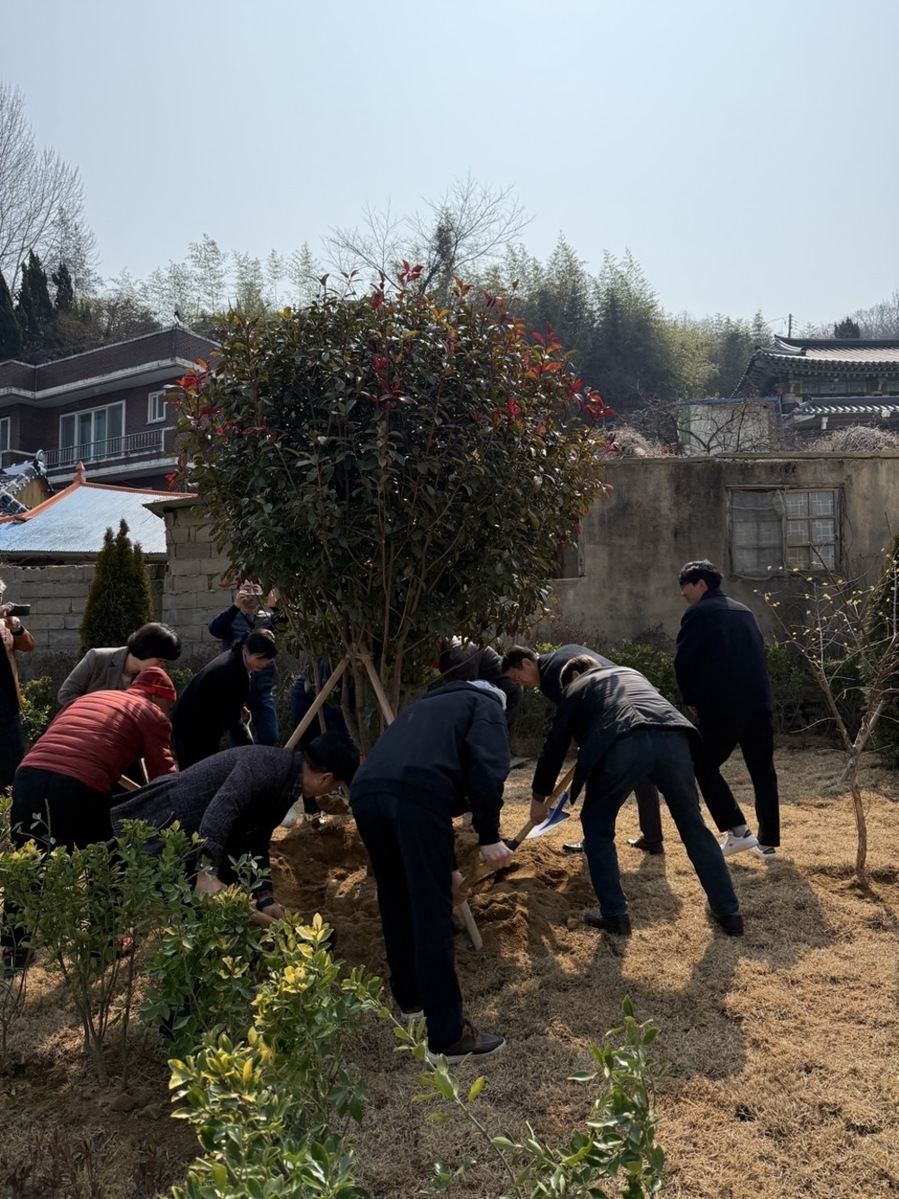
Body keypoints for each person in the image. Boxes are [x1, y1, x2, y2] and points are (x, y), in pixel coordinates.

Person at [350, 679, 513, 1064]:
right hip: (416, 797)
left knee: (395, 898)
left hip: (367, 794)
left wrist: (449, 870)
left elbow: (428, 777)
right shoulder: (487, 706)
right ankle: (448, 1036)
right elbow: (487, 769)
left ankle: (411, 1004)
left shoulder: (426, 707)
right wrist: (489, 834)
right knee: (430, 913)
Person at [531, 655, 743, 937]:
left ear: (573, 675)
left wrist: (538, 796)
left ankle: (615, 915)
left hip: (623, 743)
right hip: (675, 739)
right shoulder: (631, 672)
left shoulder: (575, 686)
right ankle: (729, 912)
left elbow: (554, 746)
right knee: (693, 826)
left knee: (597, 825)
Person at [1, 667, 178, 972]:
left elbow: (70, 738)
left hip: (29, 774)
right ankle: (105, 943)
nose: (167, 710)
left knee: (29, 861)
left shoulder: (90, 698)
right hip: (79, 782)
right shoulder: (151, 713)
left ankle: (15, 950)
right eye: (168, 704)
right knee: (106, 862)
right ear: (159, 697)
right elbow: (165, 777)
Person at [110, 733, 359, 916]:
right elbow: (223, 809)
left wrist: (266, 899)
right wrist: (206, 873)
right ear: (325, 778)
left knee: (206, 911)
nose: (331, 792)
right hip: (165, 822)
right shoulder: (266, 766)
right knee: (181, 909)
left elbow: (256, 839)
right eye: (335, 788)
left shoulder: (288, 781)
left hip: (194, 838)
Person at [501, 644, 664, 854]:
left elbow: (561, 735)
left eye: (517, 677)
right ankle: (653, 838)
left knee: (597, 783)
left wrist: (539, 796)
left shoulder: (552, 676)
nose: (520, 683)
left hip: (614, 718)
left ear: (526, 663)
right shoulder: (565, 652)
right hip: (642, 704)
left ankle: (594, 841)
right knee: (643, 776)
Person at [675, 559, 780, 861]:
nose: (682, 593)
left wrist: (691, 698)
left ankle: (737, 831)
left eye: (685, 585)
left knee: (702, 763)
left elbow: (684, 661)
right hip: (759, 704)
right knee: (763, 772)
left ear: (701, 585)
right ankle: (768, 843)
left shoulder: (697, 614)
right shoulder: (743, 611)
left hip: (722, 706)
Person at [170, 631, 278, 769]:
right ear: (247, 651)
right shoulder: (233, 671)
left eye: (267, 661)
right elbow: (233, 722)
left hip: (195, 720)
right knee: (199, 774)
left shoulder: (235, 656)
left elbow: (224, 697)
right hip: (193, 726)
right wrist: (250, 751)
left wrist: (237, 705)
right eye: (260, 659)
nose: (263, 664)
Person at [209, 581, 281, 746]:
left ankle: (258, 764)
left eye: (255, 589)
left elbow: (283, 627)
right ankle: (240, 766)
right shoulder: (231, 617)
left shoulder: (267, 618)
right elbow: (214, 630)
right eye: (246, 589)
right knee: (237, 739)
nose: (251, 593)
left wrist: (275, 608)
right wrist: (235, 607)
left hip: (262, 688)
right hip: (236, 689)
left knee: (271, 735)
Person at [57, 622, 182, 707]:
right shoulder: (97, 658)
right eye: (159, 660)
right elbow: (65, 695)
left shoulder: (152, 679)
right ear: (146, 650)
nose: (161, 667)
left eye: (165, 663)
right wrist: (99, 709)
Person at [437, 637, 522, 733]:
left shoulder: (460, 656)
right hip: (489, 693)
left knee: (496, 736)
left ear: (437, 641)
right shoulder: (447, 654)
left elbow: (463, 699)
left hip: (507, 693)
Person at [0, 580, 35, 790]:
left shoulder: (5, 624)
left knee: (12, 748)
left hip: (7, 697)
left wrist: (18, 629)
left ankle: (9, 795)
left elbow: (29, 646)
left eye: (0, 597)